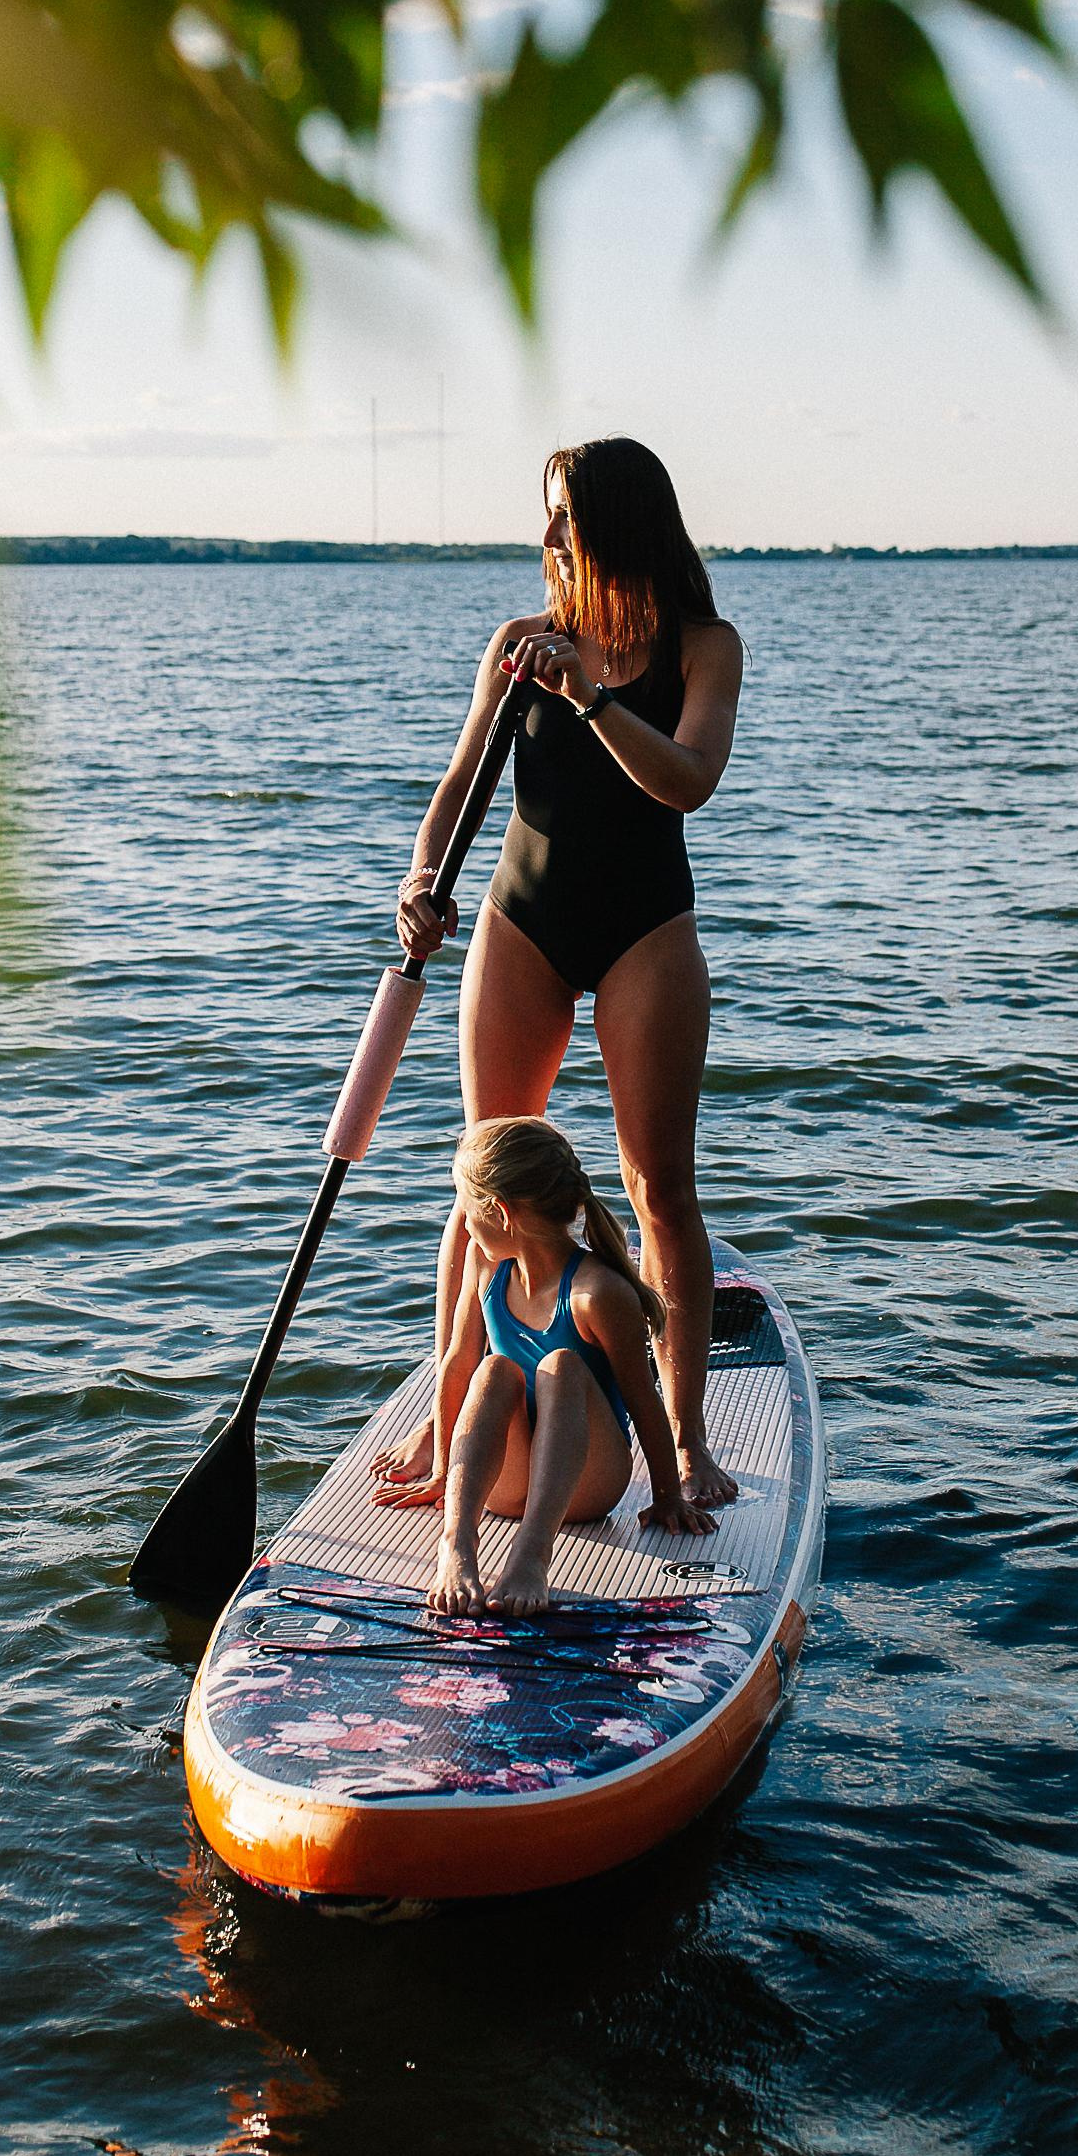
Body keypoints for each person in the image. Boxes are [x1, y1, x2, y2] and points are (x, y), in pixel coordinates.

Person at [375, 433, 745, 1513]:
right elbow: (458, 785)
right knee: (481, 1182)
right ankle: (448, 1420)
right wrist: (419, 876)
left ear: (618, 522)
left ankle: (685, 1440)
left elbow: (688, 780)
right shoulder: (518, 643)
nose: (547, 533)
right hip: (520, 922)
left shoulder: (704, 646)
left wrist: (589, 695)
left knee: (657, 1187)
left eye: (565, 513)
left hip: (645, 930)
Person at [427, 1116, 709, 1618]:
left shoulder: (596, 1293)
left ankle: (532, 1552)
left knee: (561, 1366)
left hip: (585, 1487)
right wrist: (443, 1472)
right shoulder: (485, 1265)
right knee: (492, 1372)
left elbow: (643, 1399)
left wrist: (668, 1494)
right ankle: (457, 1543)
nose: (464, 1225)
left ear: (500, 1212)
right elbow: (457, 1363)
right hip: (505, 1484)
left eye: (466, 1209)